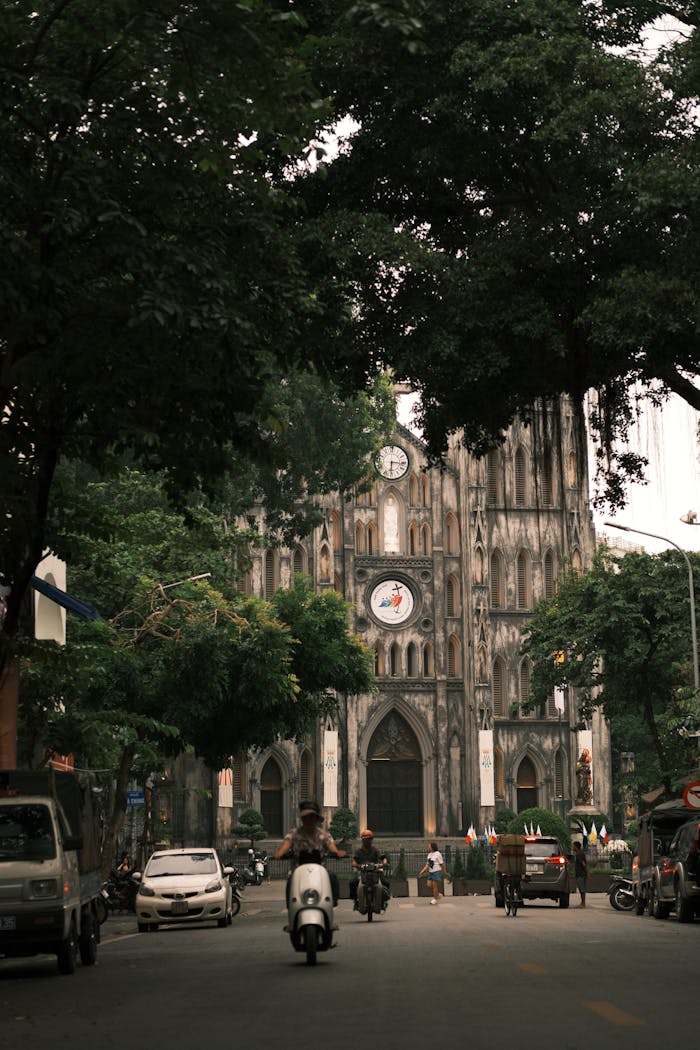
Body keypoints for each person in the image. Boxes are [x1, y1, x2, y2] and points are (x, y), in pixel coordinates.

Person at [274, 800, 346, 906]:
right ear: (302, 819)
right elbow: (286, 845)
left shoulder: (324, 835)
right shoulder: (294, 834)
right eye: (305, 818)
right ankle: (290, 906)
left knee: (332, 877)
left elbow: (332, 847)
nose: (308, 820)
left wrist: (337, 853)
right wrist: (279, 853)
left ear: (316, 819)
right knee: (290, 881)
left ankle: (332, 903)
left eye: (311, 817)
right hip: (299, 872)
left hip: (320, 872)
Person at [350, 829, 390, 910]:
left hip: (375, 872)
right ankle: (356, 901)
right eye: (365, 839)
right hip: (362, 872)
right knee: (352, 883)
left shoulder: (375, 850)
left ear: (371, 840)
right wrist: (356, 865)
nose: (367, 841)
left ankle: (384, 900)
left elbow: (383, 857)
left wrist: (384, 863)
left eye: (369, 839)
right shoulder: (358, 851)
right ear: (362, 840)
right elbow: (354, 860)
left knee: (386, 882)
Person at [573, 840, 588, 907]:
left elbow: (583, 864)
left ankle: (583, 903)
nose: (572, 847)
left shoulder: (579, 854)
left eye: (573, 846)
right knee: (581, 888)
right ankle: (582, 903)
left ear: (576, 847)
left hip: (581, 874)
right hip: (580, 873)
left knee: (582, 889)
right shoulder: (579, 853)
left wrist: (587, 872)